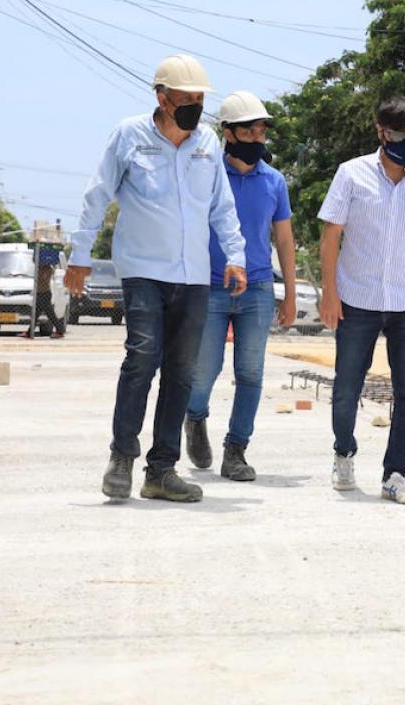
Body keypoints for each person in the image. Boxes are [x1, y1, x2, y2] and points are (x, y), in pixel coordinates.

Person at [70, 54, 248, 503]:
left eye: (199, 99)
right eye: (186, 98)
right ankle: (121, 458)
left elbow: (222, 206)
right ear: (162, 97)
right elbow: (97, 194)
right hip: (143, 269)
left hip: (193, 276)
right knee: (142, 358)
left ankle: (161, 470)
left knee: (182, 372)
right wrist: (79, 254)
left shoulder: (207, 142)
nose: (194, 106)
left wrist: (236, 255)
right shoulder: (130, 135)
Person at [318, 96, 405, 505]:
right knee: (347, 387)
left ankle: (395, 473)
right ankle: (343, 453)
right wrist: (330, 293)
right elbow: (330, 237)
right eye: (398, 135)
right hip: (357, 300)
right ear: (380, 131)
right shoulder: (351, 174)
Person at [184, 91, 296, 482]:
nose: (257, 139)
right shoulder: (208, 175)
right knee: (204, 371)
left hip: (258, 290)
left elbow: (284, 240)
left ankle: (236, 450)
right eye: (249, 131)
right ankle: (194, 418)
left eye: (261, 131)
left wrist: (291, 296)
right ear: (227, 133)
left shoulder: (274, 182)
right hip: (210, 288)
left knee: (250, 373)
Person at [21, 246, 65, 339]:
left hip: (44, 293)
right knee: (37, 314)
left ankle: (60, 331)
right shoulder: (41, 268)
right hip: (40, 293)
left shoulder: (47, 269)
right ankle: (29, 332)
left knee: (49, 314)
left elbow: (44, 277)